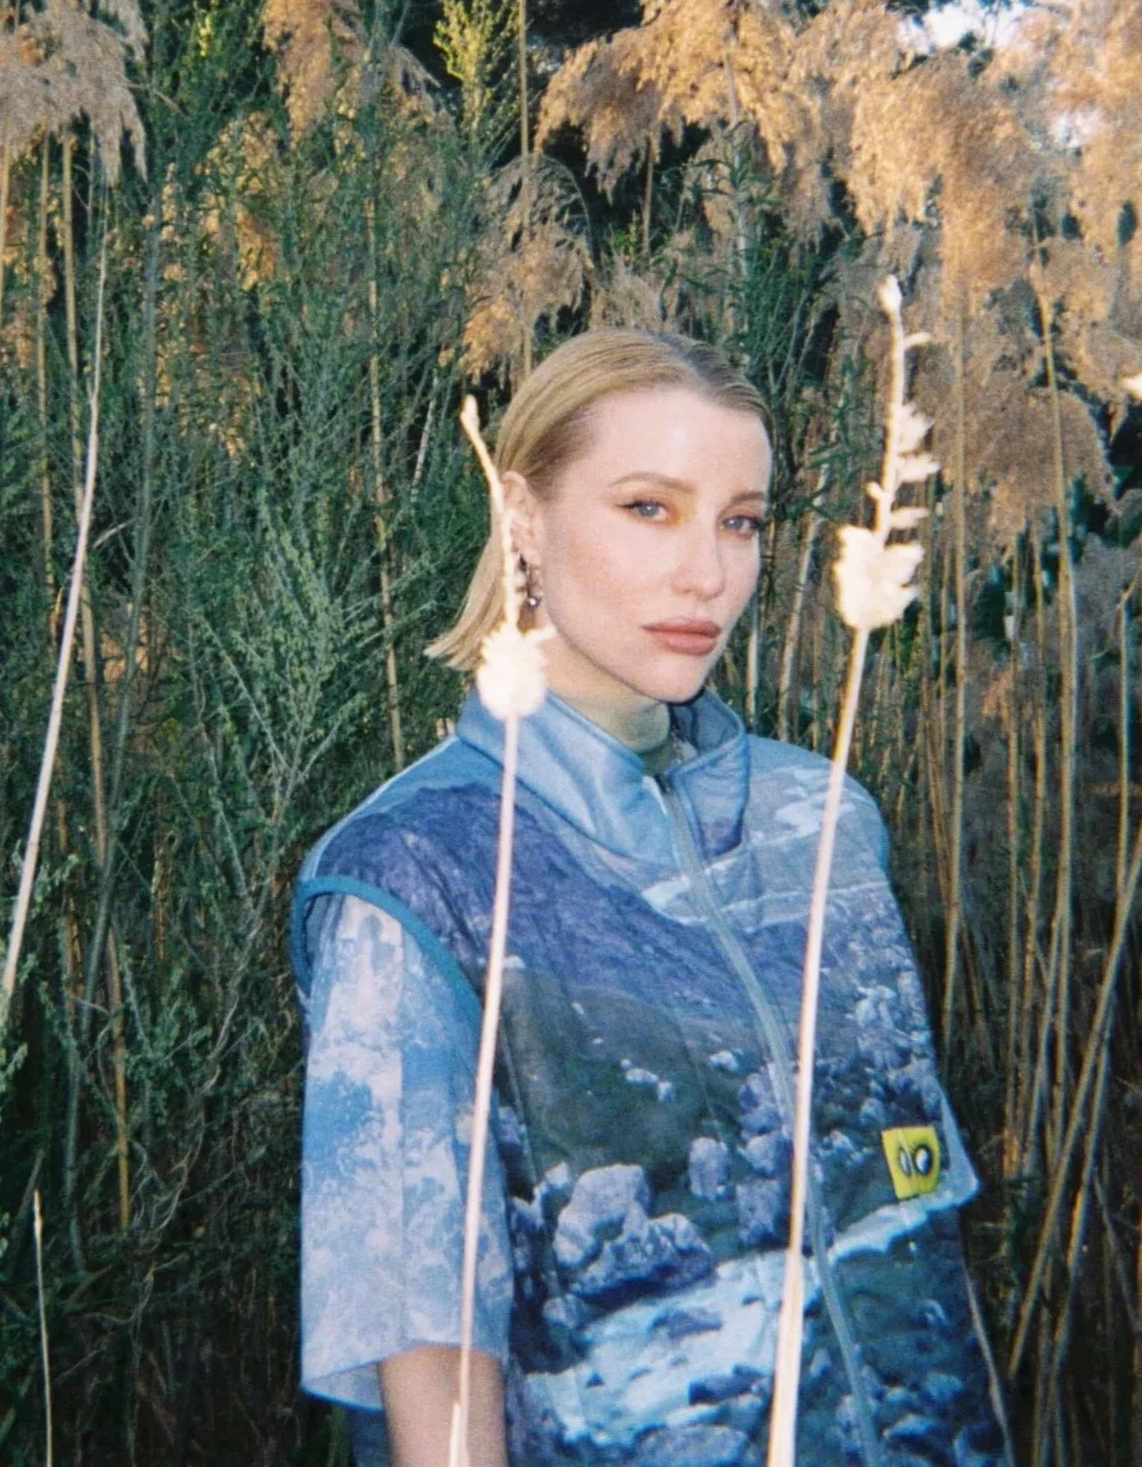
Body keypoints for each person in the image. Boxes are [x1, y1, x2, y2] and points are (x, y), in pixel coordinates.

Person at [292, 329, 1011, 1467]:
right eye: (647, 507)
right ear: (522, 516)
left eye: (739, 520)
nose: (706, 574)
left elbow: (910, 1223)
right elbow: (426, 1340)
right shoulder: (414, 871)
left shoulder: (818, 816)